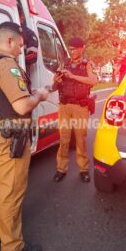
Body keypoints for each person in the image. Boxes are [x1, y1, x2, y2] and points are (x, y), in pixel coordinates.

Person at [0, 21, 48, 251]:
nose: (20, 49)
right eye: (19, 44)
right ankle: (13, 247)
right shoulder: (7, 66)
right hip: (11, 137)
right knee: (12, 191)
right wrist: (39, 96)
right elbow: (21, 105)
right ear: (9, 41)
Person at [51, 37, 98, 183]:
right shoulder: (64, 63)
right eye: (70, 49)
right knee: (64, 139)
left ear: (82, 48)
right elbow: (53, 87)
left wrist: (72, 76)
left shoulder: (87, 64)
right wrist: (56, 81)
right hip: (64, 106)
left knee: (80, 139)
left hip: (80, 107)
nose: (72, 51)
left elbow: (93, 81)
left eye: (75, 49)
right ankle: (61, 169)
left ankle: (83, 170)